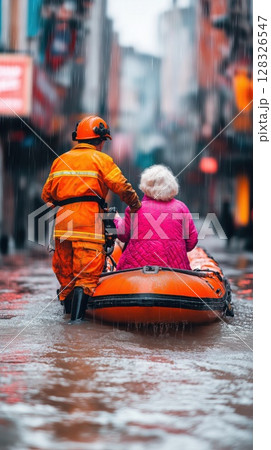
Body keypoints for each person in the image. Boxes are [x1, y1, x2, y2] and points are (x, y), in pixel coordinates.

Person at [41, 115, 141, 321]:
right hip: (89, 226)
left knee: (66, 276)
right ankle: (77, 326)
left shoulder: (60, 160)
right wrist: (135, 204)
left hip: (63, 227)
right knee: (86, 277)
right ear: (100, 140)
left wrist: (66, 205)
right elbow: (121, 186)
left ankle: (67, 319)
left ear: (79, 138)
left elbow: (46, 196)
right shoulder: (102, 160)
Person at [113, 165, 198, 271]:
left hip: (135, 270)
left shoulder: (135, 208)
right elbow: (191, 243)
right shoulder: (181, 208)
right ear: (172, 185)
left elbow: (123, 236)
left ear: (145, 185)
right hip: (176, 271)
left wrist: (116, 219)